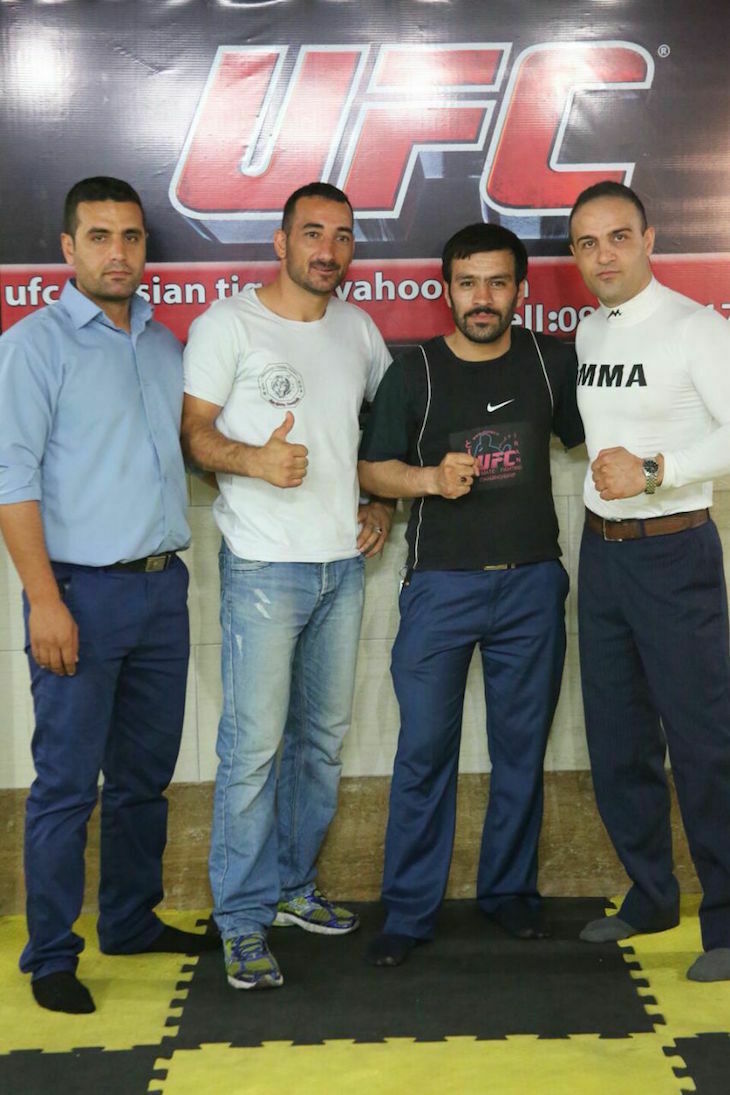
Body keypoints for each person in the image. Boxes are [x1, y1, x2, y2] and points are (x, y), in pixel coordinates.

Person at [0, 177, 216, 1016]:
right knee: (65, 783)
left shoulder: (164, 346)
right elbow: (12, 482)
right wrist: (43, 600)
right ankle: (52, 953)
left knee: (142, 778)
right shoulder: (33, 346)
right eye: (99, 236)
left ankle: (128, 920)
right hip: (78, 594)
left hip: (161, 589)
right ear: (68, 248)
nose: (117, 252)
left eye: (130, 236)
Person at [181, 181, 392, 990]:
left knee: (321, 742)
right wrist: (254, 460)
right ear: (280, 241)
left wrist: (378, 500)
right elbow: (195, 434)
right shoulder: (228, 324)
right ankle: (240, 918)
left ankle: (292, 887)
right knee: (253, 749)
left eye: (341, 236)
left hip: (342, 564)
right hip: (264, 565)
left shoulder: (358, 329)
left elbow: (382, 427)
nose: (327, 250)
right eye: (312, 233)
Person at [357, 222, 584, 967]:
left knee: (521, 750)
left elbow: (601, 435)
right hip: (440, 589)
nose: (482, 298)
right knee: (425, 750)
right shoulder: (415, 371)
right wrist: (427, 479)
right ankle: (409, 909)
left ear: (520, 289)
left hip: (531, 583)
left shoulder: (551, 361)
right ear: (446, 289)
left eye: (496, 283)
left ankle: (509, 893)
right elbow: (371, 468)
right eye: (467, 283)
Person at [569, 180, 730, 981]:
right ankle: (652, 893)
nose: (604, 255)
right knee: (618, 736)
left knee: (703, 740)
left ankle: (726, 918)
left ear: (649, 239)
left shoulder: (697, 328)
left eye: (618, 237)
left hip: (675, 551)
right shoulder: (589, 333)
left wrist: (657, 469)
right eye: (587, 243)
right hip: (602, 555)